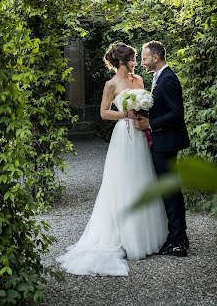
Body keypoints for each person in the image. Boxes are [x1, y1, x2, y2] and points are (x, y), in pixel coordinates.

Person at [56, 42, 167, 276]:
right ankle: (124, 237)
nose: (136, 62)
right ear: (121, 62)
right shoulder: (111, 84)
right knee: (122, 182)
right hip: (123, 137)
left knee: (143, 179)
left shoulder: (139, 80)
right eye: (133, 59)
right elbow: (104, 112)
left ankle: (145, 235)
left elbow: (146, 104)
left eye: (137, 58)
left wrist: (142, 114)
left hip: (139, 133)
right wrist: (124, 114)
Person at [136, 41, 190, 256]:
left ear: (156, 57)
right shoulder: (159, 78)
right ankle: (179, 237)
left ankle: (177, 241)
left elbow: (177, 113)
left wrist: (150, 124)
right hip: (163, 141)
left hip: (166, 142)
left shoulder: (168, 79)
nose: (142, 62)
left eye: (144, 58)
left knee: (170, 191)